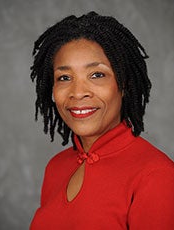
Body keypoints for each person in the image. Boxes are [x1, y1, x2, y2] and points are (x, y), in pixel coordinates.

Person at [29, 12, 174, 229]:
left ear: (123, 84)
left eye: (97, 75)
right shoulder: (56, 167)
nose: (77, 93)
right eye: (64, 78)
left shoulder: (157, 176)